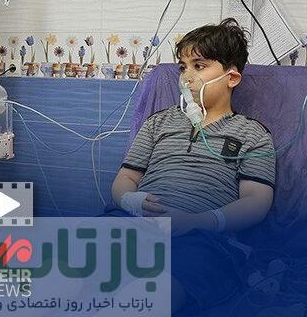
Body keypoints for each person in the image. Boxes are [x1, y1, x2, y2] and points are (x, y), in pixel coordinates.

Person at [107, 18, 276, 314]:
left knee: (147, 295)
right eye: (183, 67)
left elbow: (257, 202)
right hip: (133, 225)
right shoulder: (158, 123)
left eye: (199, 66)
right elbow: (125, 178)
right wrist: (130, 201)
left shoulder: (254, 134)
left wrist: (198, 221)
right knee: (66, 269)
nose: (187, 77)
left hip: (200, 240)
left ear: (232, 78)